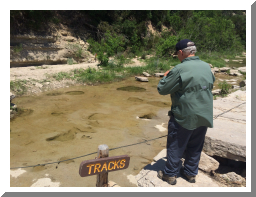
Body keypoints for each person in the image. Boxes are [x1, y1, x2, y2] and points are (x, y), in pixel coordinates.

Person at [157, 39, 215, 185]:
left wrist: (165, 77)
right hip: (204, 114)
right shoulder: (206, 67)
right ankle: (190, 174)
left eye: (177, 53)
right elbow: (210, 85)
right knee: (196, 145)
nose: (177, 56)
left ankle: (170, 175)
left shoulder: (178, 69)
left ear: (181, 53)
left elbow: (162, 89)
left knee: (176, 144)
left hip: (184, 115)